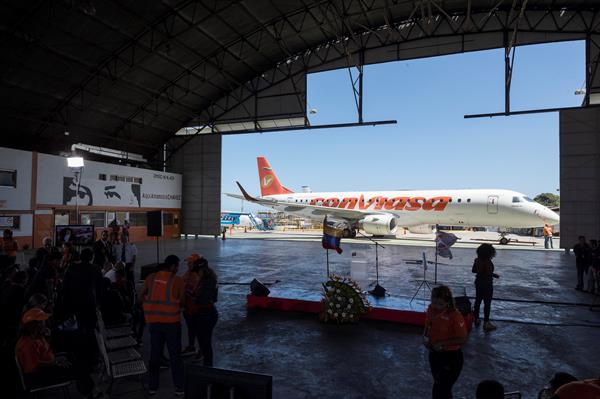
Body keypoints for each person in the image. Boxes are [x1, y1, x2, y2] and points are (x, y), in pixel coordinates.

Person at [15, 308, 94, 396]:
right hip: (39, 376)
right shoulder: (27, 344)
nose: (44, 323)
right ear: (34, 325)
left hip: (48, 367)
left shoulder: (36, 336)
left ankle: (88, 392)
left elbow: (44, 352)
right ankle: (88, 394)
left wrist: (48, 338)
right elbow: (34, 366)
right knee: (78, 368)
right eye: (41, 321)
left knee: (75, 358)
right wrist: (55, 362)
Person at [140, 255, 185, 395]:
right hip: (171, 324)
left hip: (154, 323)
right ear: (172, 266)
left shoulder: (150, 278)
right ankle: (179, 387)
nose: (177, 269)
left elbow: (141, 296)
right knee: (175, 356)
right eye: (177, 266)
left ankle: (153, 387)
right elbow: (182, 301)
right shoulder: (177, 280)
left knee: (155, 355)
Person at [423, 285, 468, 399]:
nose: (437, 307)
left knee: (442, 389)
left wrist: (443, 343)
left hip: (451, 357)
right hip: (434, 354)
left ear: (448, 302)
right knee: (438, 385)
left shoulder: (455, 316)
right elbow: (428, 326)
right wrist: (425, 338)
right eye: (434, 303)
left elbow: (463, 338)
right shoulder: (430, 310)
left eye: (440, 304)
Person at [192, 256, 219, 366]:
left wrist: (194, 298)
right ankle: (207, 365)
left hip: (206, 314)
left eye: (197, 271)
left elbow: (204, 299)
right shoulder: (206, 280)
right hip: (205, 313)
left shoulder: (208, 282)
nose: (196, 274)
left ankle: (208, 368)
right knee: (203, 342)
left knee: (205, 343)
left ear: (201, 270)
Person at [472, 244, 499, 331]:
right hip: (487, 284)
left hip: (478, 283)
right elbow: (487, 272)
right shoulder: (488, 262)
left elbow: (474, 271)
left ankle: (476, 319)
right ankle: (486, 323)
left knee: (478, 301)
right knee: (487, 303)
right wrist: (494, 275)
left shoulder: (477, 260)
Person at [182, 253, 202, 355]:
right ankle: (191, 346)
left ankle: (201, 350)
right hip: (188, 308)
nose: (188, 264)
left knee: (199, 330)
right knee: (191, 329)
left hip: (197, 309)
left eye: (190, 263)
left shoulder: (199, 276)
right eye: (188, 262)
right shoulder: (188, 273)